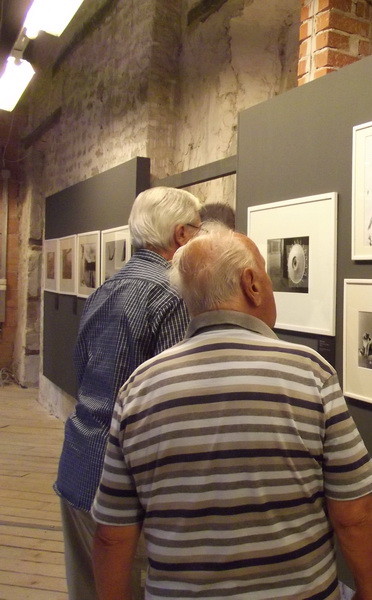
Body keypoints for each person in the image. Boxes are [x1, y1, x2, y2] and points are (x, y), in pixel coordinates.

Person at [91, 226, 372, 600]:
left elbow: (112, 535)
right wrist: (370, 593)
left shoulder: (139, 387)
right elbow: (353, 513)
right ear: (252, 285)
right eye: (265, 274)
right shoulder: (310, 373)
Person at [54, 186, 202, 600]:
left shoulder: (106, 288)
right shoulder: (173, 293)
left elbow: (82, 370)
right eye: (198, 228)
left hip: (80, 465)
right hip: (128, 489)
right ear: (180, 235)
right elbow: (173, 401)